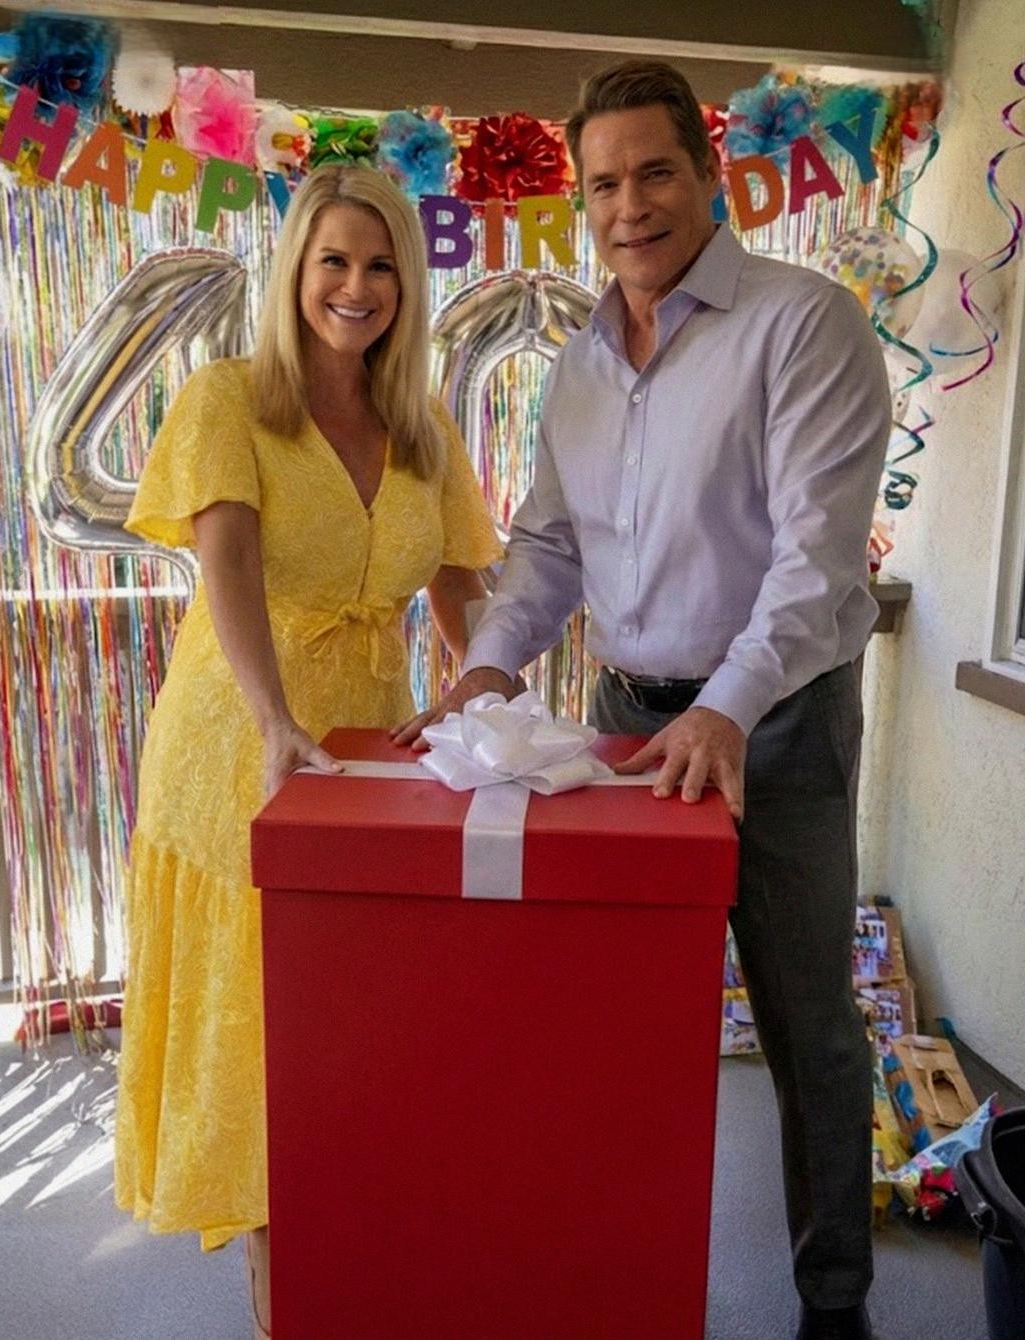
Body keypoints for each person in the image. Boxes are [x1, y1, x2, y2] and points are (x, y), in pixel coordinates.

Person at [396, 60, 891, 1340]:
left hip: (774, 721)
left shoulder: (804, 323)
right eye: (604, 183)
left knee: (805, 1020)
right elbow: (548, 547)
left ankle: (834, 1298)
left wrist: (725, 707)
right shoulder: (576, 364)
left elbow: (817, 561)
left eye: (655, 171)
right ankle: (614, 1270)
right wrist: (485, 666)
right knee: (619, 1016)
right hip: (623, 717)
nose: (630, 206)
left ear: (709, 174)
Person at [114, 165, 501, 1338]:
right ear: (295, 271)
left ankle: (365, 1274)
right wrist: (277, 718)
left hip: (375, 756)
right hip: (242, 745)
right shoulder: (228, 397)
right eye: (333, 260)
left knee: (360, 1031)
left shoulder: (423, 428)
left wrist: (492, 694)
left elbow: (461, 586)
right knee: (268, 1046)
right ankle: (284, 1302)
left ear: (408, 285)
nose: (356, 286)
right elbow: (227, 562)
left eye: (381, 265)